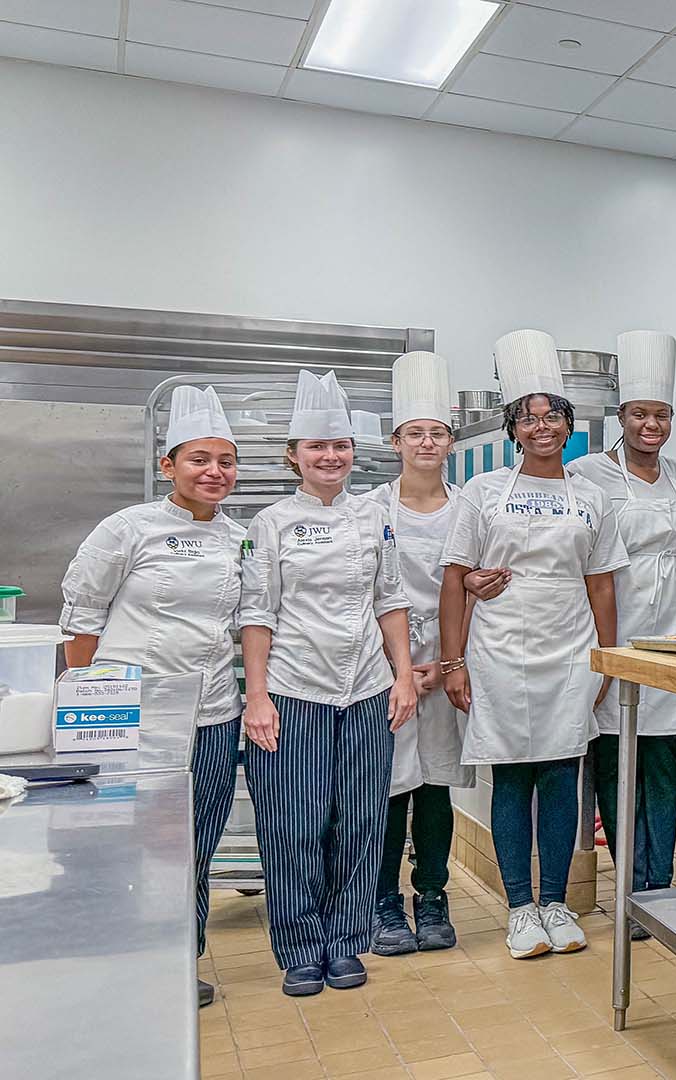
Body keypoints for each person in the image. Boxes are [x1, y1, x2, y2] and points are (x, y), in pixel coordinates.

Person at [440, 330, 625, 960]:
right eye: (529, 417)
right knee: (513, 777)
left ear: (570, 427)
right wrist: (455, 661)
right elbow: (453, 580)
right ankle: (520, 908)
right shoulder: (483, 493)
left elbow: (601, 586)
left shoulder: (594, 498)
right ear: (512, 429)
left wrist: (605, 657)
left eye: (553, 416)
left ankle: (556, 903)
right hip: (497, 649)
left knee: (563, 772)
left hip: (571, 647)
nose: (542, 426)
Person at [60, 385, 246, 1008]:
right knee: (125, 841)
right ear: (168, 465)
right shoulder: (127, 528)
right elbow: (82, 619)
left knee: (194, 843)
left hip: (213, 711)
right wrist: (90, 704)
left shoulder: (240, 539)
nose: (214, 472)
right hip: (131, 714)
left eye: (225, 461)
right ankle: (117, 951)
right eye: (199, 459)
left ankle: (178, 957)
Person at [237, 370, 417, 996]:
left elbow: (390, 600)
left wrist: (402, 677)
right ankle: (299, 946)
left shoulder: (374, 517)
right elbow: (257, 613)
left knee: (363, 819)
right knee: (294, 823)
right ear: (294, 456)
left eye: (339, 446)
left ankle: (346, 941)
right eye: (317, 447)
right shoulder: (271, 523)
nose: (331, 457)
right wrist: (257, 697)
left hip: (367, 688)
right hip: (294, 690)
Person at [566, 330, 676, 937]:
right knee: (617, 764)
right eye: (641, 414)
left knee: (664, 764)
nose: (652, 425)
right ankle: (631, 885)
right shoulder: (586, 472)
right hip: (615, 626)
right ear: (622, 416)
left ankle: (660, 887)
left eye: (662, 415)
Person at [366, 352, 472, 958]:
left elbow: (475, 585)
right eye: (415, 433)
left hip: (451, 656)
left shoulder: (468, 507)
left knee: (436, 781)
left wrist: (449, 660)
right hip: (384, 660)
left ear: (450, 442)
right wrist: (403, 666)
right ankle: (382, 900)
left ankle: (431, 894)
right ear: (396, 442)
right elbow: (369, 591)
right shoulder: (373, 508)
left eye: (436, 433)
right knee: (390, 782)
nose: (426, 442)